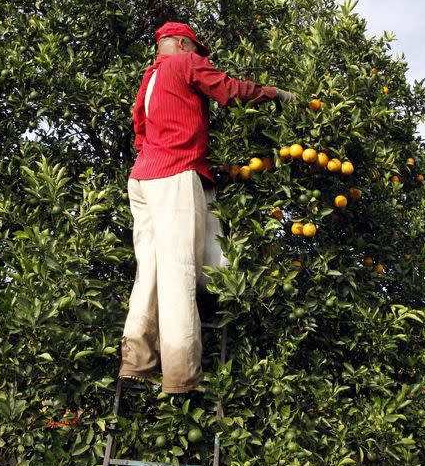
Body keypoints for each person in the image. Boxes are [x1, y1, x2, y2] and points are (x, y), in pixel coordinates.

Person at [119, 21, 294, 394]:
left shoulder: (148, 80)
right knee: (178, 269)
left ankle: (136, 361)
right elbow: (228, 90)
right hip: (173, 175)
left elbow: (139, 132)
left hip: (142, 180)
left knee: (148, 271)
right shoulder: (185, 64)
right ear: (183, 44)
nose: (200, 57)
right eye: (197, 50)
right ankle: (181, 376)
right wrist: (272, 93)